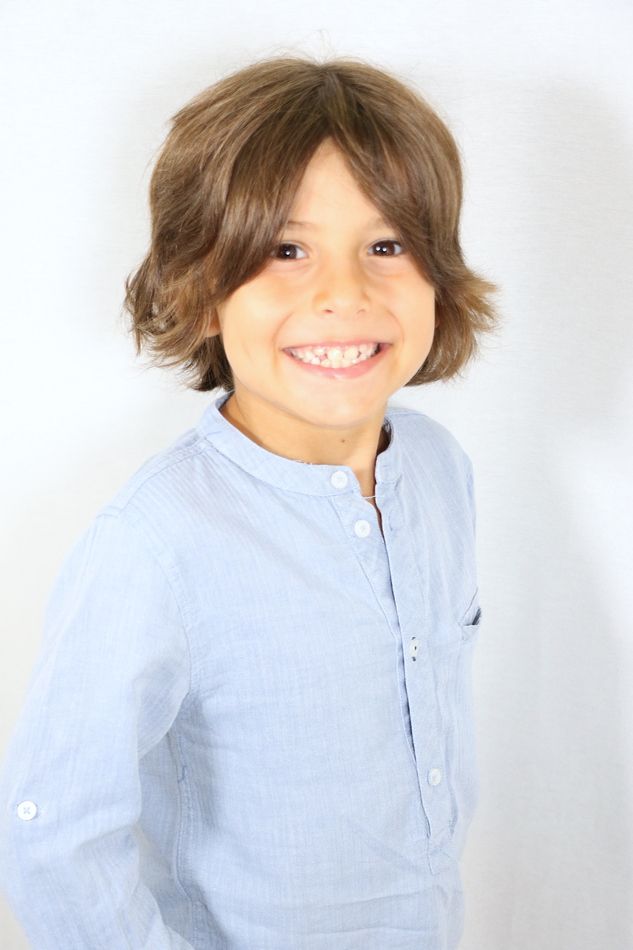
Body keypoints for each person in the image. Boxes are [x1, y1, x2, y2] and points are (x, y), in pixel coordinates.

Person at [0, 56, 496, 949]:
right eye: (285, 250)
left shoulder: (439, 469)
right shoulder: (155, 545)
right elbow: (55, 834)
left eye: (387, 245)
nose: (343, 294)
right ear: (199, 291)